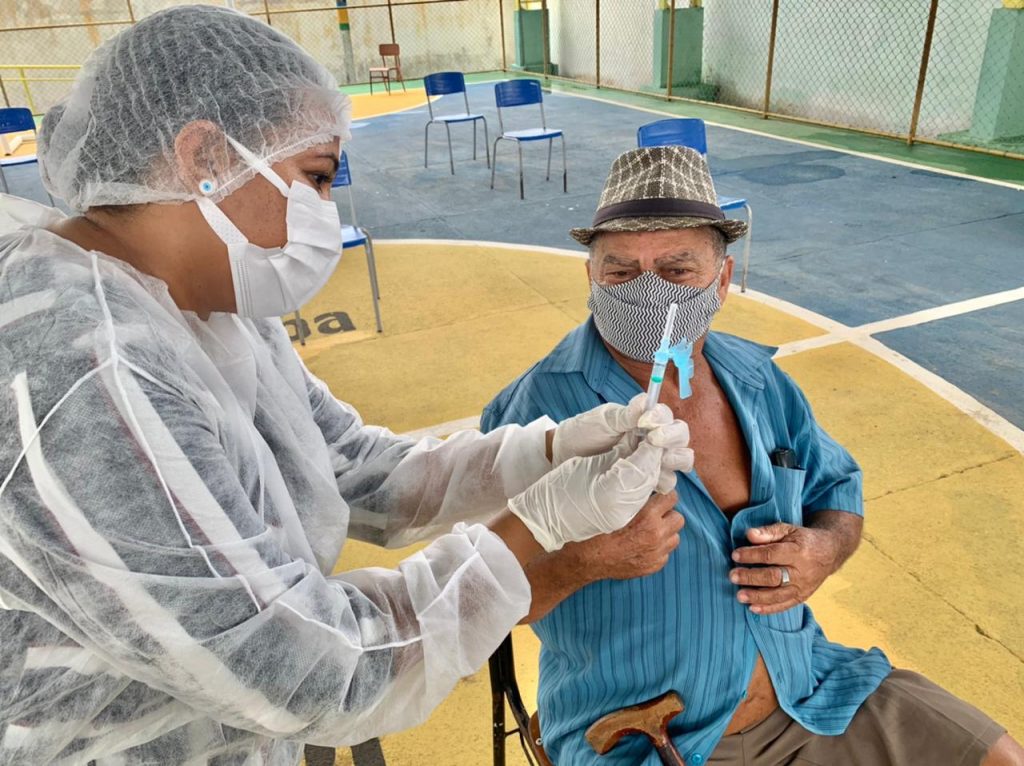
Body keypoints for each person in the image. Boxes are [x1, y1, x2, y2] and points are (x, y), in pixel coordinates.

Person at [0, 8, 694, 764]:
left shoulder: (209, 304)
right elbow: (311, 670)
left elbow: (353, 466)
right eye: (316, 178)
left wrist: (547, 453)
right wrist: (539, 525)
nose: (324, 212)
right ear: (204, 154)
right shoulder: (89, 367)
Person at [482, 146, 1024, 766]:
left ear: (723, 278)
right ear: (590, 277)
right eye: (621, 270)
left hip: (813, 688)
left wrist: (824, 550)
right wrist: (586, 561)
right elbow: (484, 600)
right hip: (646, 736)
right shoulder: (533, 416)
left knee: (997, 757)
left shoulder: (759, 379)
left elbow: (837, 491)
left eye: (676, 269)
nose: (648, 291)